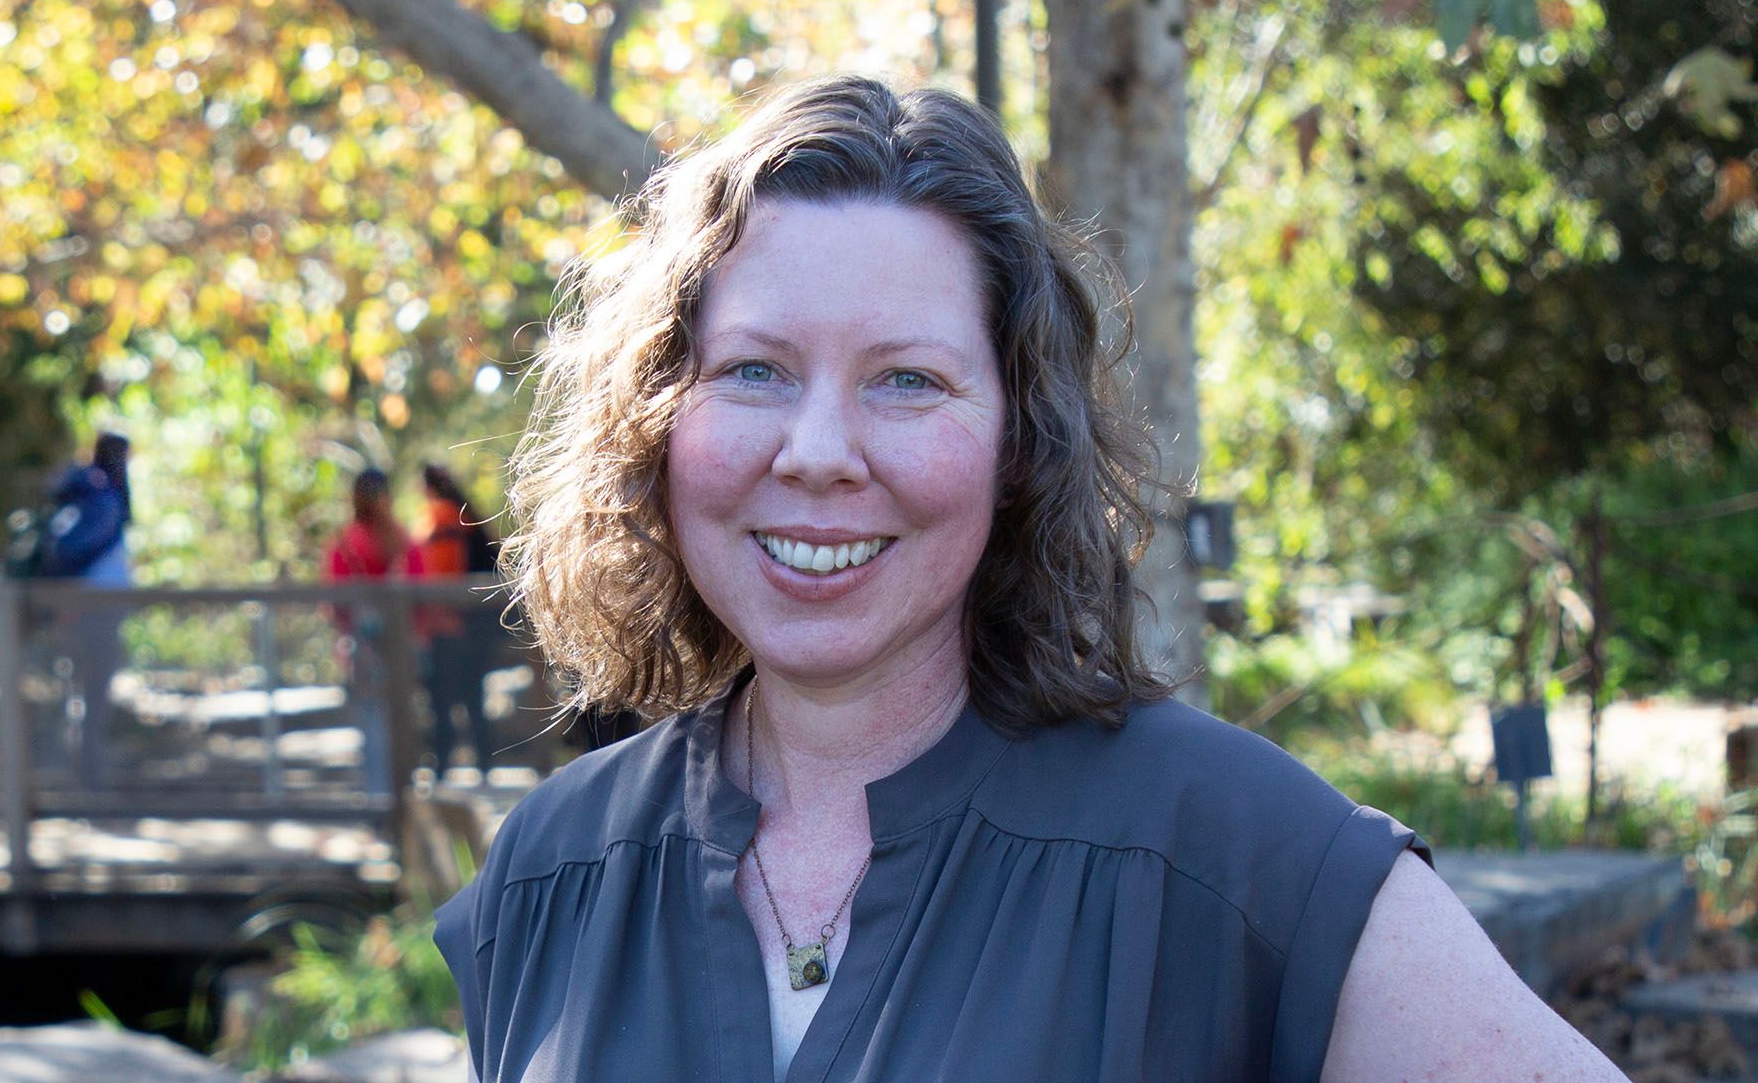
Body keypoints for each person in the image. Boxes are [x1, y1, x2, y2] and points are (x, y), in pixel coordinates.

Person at [434, 77, 1629, 1082]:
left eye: (907, 379)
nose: (816, 450)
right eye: (754, 370)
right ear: (658, 420)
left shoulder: (1227, 850)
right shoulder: (550, 874)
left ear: (1019, 442)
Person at [44, 431, 133, 791]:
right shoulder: (104, 499)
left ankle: (74, 774)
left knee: (74, 693)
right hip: (94, 611)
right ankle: (86, 780)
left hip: (77, 608)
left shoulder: (82, 495)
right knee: (90, 696)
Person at [325, 466, 411, 798]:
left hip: (366, 645)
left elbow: (335, 598)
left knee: (373, 720)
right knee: (397, 720)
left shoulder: (347, 542)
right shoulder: (401, 539)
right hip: (394, 645)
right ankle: (399, 797)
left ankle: (380, 797)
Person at [416, 463, 498, 779]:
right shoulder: (464, 514)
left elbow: (440, 572)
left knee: (443, 699)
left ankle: (443, 767)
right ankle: (483, 765)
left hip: (451, 625)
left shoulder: (441, 516)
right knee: (472, 697)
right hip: (473, 624)